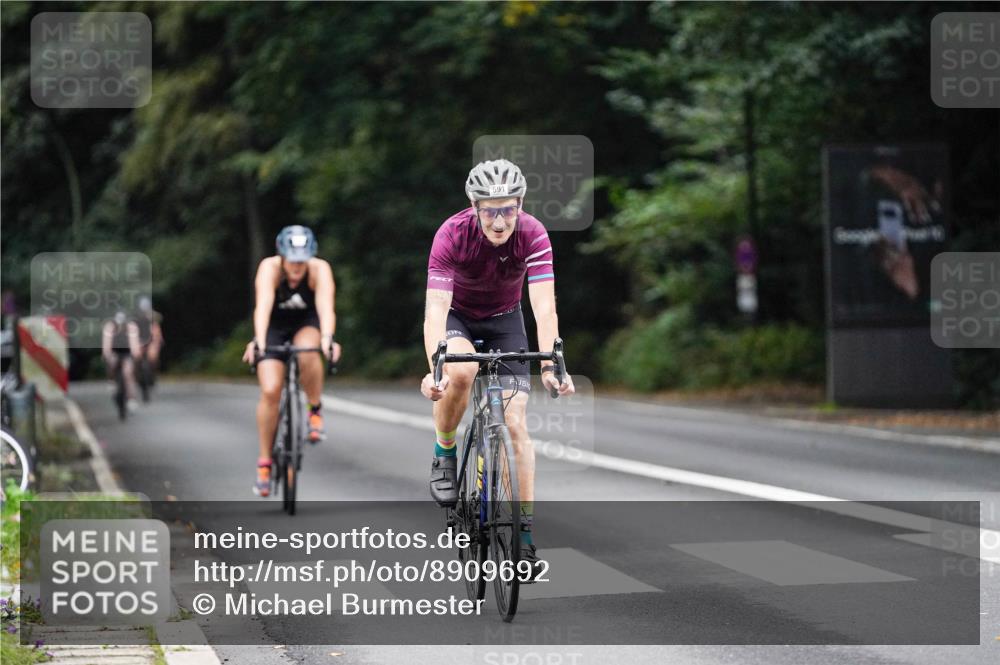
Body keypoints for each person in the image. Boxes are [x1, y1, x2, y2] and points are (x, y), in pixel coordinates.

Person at [420, 158, 575, 573]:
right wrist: (435, 366)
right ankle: (444, 451)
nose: (500, 220)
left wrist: (552, 364)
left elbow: (544, 307)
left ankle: (524, 535)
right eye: (490, 210)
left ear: (520, 205)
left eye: (508, 209)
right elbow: (435, 309)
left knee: (517, 423)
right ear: (474, 207)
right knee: (462, 372)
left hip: (506, 320)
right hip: (458, 318)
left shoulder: (533, 233)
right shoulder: (452, 234)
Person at [242, 225, 340, 497]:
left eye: (302, 260)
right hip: (273, 325)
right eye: (292, 260)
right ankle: (264, 463)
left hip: (305, 324)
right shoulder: (269, 269)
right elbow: (262, 305)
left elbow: (325, 308)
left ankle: (314, 410)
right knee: (271, 390)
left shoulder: (319, 270)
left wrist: (328, 338)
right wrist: (259, 340)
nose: (297, 266)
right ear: (281, 255)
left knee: (309, 349)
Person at [101, 310, 142, 412]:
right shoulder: (110, 326)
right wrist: (107, 354)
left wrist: (136, 354)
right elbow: (107, 343)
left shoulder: (131, 326)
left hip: (127, 352)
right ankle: (111, 380)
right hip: (115, 351)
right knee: (112, 362)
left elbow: (134, 343)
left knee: (128, 374)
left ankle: (131, 398)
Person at [133, 296, 164, 399]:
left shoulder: (152, 317)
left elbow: (156, 329)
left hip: (150, 340)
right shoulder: (135, 317)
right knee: (137, 357)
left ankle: (153, 377)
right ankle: (137, 377)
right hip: (139, 340)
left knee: (153, 357)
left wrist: (157, 342)